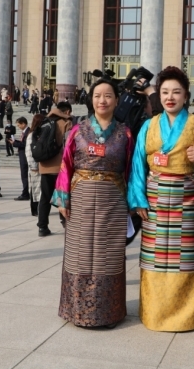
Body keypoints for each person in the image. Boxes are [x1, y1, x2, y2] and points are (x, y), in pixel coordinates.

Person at [128, 66, 194, 331]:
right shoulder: (149, 125)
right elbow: (138, 163)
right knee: (154, 256)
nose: (170, 97)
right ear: (159, 95)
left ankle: (186, 315)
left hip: (187, 197)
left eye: (176, 92)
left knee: (187, 257)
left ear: (186, 95)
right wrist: (138, 199)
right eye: (165, 92)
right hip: (155, 199)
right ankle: (154, 313)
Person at [51, 75, 134, 328]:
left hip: (113, 200)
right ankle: (77, 312)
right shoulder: (77, 130)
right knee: (80, 254)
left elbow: (131, 170)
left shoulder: (125, 133)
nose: (102, 100)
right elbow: (66, 165)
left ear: (117, 100)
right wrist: (62, 198)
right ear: (91, 100)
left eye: (108, 95)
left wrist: (133, 202)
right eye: (97, 96)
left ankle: (109, 313)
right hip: (81, 199)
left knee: (108, 256)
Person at [37, 101, 73, 236]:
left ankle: (42, 227)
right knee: (62, 196)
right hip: (60, 167)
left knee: (45, 197)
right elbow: (69, 145)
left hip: (44, 165)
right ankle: (65, 223)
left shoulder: (44, 122)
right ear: (67, 111)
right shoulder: (66, 123)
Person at [26, 114, 44, 216]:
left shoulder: (41, 134)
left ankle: (40, 209)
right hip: (34, 167)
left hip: (41, 166)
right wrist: (33, 166)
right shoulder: (32, 135)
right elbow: (29, 152)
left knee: (39, 189)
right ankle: (34, 210)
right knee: (35, 189)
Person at [10, 116, 31, 201]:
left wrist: (15, 143)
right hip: (22, 155)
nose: (18, 127)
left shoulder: (28, 132)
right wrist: (15, 142)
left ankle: (25, 193)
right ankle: (26, 192)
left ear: (23, 124)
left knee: (24, 175)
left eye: (19, 125)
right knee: (24, 175)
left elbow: (25, 144)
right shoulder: (25, 132)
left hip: (24, 156)